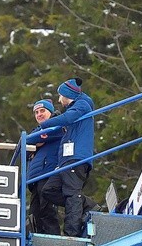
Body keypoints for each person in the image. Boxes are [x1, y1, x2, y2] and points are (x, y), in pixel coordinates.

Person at [40, 78, 97, 237]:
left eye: (60, 96)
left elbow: (67, 118)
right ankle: (87, 205)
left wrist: (46, 124)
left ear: (68, 94)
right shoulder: (75, 107)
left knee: (71, 194)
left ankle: (71, 234)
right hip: (66, 159)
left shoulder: (82, 105)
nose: (59, 100)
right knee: (49, 190)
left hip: (76, 158)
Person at [25, 99, 63, 235]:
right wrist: (35, 143)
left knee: (47, 210)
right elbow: (24, 144)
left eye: (42, 111)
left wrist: (35, 143)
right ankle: (37, 245)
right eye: (36, 112)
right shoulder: (38, 130)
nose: (39, 114)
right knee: (34, 214)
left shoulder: (57, 124)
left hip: (48, 172)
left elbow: (30, 139)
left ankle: (53, 241)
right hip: (35, 177)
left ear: (50, 112)